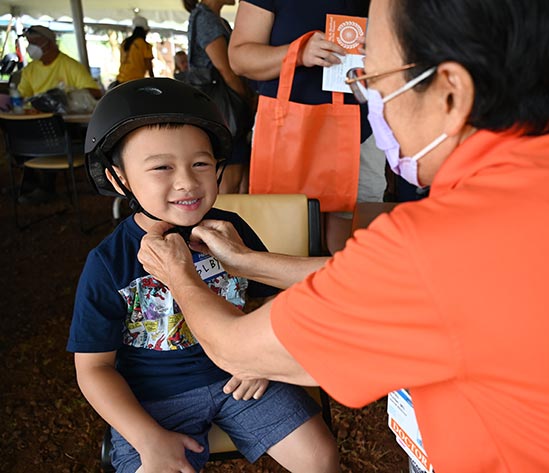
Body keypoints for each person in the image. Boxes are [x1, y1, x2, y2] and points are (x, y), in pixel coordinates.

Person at [139, 1, 549, 472]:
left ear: (450, 94)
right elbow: (390, 291)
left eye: (372, 80)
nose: (370, 103)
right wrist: (246, 263)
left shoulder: (448, 240)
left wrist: (179, 276)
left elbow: (237, 347)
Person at [68, 78, 338, 473]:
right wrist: (147, 437)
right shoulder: (108, 261)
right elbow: (93, 368)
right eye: (161, 167)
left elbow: (274, 293)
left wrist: (264, 357)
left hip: (243, 378)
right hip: (153, 400)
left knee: (320, 457)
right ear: (118, 178)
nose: (187, 182)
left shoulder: (228, 231)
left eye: (201, 163)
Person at [229, 0, 387, 253]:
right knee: (284, 240)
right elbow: (239, 58)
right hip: (287, 132)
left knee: (353, 248)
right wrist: (297, 53)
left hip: (362, 129)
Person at [16, 25, 102, 204]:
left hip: (63, 127)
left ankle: (46, 186)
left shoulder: (69, 65)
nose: (31, 47)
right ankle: (30, 182)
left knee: (46, 130)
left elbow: (94, 92)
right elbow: (21, 96)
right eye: (29, 43)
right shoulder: (30, 70)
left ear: (49, 43)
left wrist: (64, 97)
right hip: (34, 122)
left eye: (35, 43)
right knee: (19, 130)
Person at [183, 0, 255, 195]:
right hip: (226, 105)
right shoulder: (206, 18)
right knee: (230, 180)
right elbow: (226, 69)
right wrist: (245, 102)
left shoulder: (210, 18)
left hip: (220, 104)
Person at [112, 15, 154, 87]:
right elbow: (149, 65)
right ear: (145, 30)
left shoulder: (125, 42)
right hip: (135, 82)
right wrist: (153, 81)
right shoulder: (144, 45)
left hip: (120, 81)